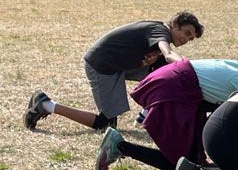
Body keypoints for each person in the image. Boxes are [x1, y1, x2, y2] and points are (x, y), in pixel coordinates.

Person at [95, 41, 238, 170]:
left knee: (191, 160)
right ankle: (119, 146)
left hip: (177, 84)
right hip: (174, 87)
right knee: (180, 165)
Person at [23, 12, 204, 132]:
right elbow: (168, 53)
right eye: (186, 33)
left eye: (191, 38)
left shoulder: (158, 30)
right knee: (106, 124)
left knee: (167, 72)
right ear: (175, 25)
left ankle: (147, 113)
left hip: (117, 65)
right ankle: (45, 104)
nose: (187, 39)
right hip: (102, 65)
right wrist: (189, 68)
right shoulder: (160, 32)